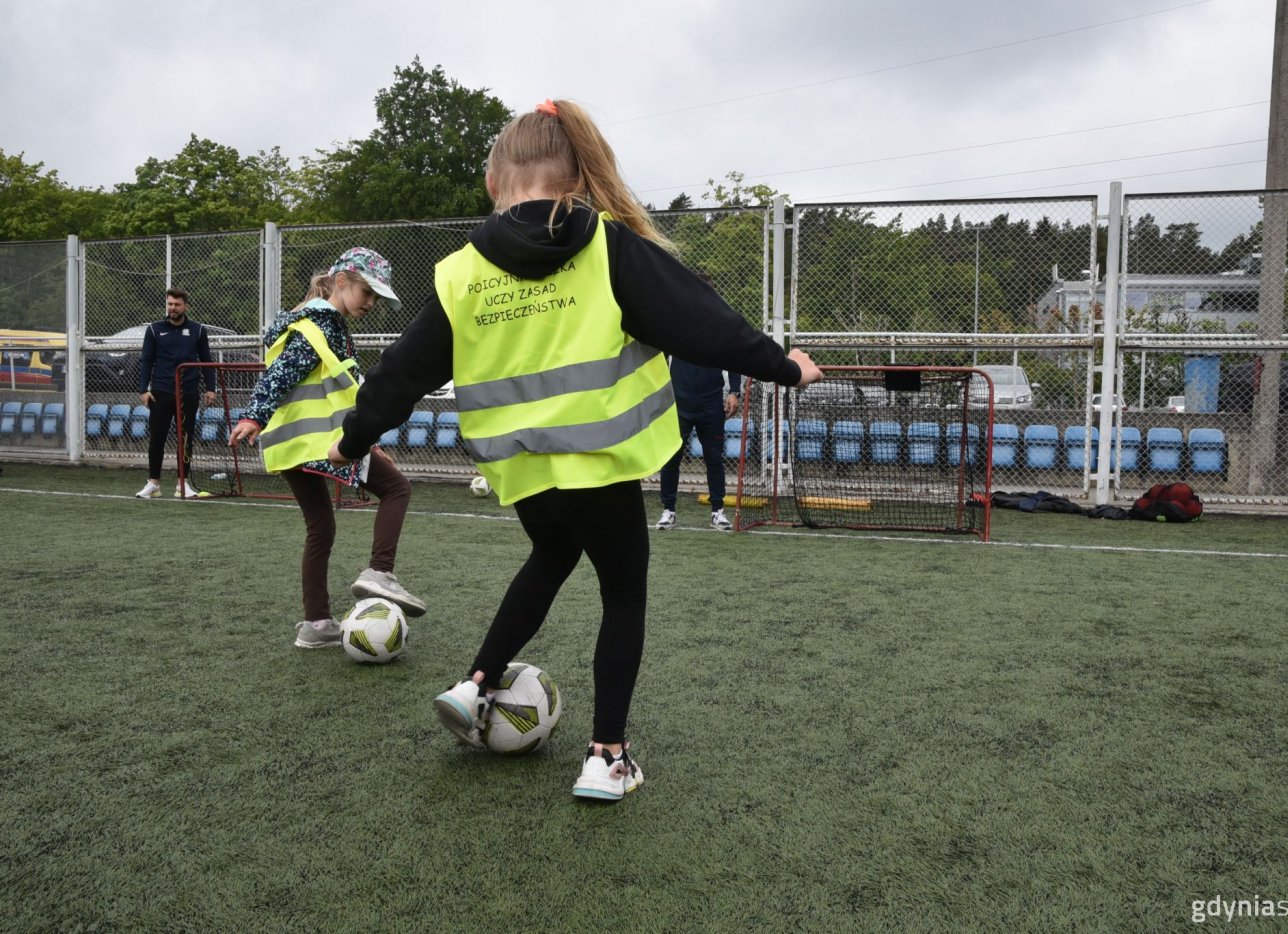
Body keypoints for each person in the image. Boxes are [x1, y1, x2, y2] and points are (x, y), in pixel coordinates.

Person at [327, 98, 822, 802]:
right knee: (623, 591)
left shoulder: (461, 273)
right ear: (580, 176)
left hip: (520, 466)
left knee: (553, 553)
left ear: (498, 179)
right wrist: (786, 366)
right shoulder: (608, 247)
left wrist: (353, 437)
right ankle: (607, 757)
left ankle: (476, 685)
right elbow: (702, 325)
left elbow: (402, 372)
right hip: (597, 458)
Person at [229, 247, 426, 650]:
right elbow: (281, 375)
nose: (371, 303)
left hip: (293, 445)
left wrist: (365, 440)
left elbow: (337, 392)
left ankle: (316, 624)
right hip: (321, 443)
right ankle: (380, 572)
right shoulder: (320, 325)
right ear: (341, 282)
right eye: (366, 292)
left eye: (377, 297)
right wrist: (254, 414)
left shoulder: (310, 323)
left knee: (321, 527)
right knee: (397, 490)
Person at [655, 271, 743, 532]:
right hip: (679, 403)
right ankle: (668, 511)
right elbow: (660, 358)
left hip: (710, 404)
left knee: (714, 458)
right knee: (671, 458)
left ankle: (718, 511)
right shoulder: (675, 324)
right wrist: (659, 391)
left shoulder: (721, 323)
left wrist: (734, 392)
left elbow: (733, 358)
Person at [135, 288, 217, 498]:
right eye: (170, 304)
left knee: (186, 438)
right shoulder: (154, 330)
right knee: (157, 438)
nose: (173, 308)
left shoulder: (198, 330)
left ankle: (183, 484)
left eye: (177, 305)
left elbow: (207, 359)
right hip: (161, 392)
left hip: (188, 392)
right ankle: (153, 484)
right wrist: (144, 389)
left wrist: (210, 387)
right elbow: (146, 360)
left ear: (185, 306)